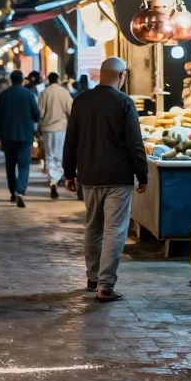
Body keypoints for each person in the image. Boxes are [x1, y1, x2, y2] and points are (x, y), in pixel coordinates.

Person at [62, 57, 147, 302]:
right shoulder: (124, 102)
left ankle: (92, 278)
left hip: (89, 176)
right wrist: (142, 175)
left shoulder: (81, 101)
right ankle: (105, 286)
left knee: (93, 228)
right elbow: (135, 143)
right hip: (118, 177)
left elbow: (71, 139)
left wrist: (69, 172)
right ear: (122, 75)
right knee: (115, 231)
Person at [0, 69, 41, 208]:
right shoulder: (29, 95)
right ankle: (20, 190)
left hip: (8, 136)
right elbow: (36, 116)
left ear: (11, 80)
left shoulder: (4, 95)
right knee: (24, 165)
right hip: (25, 136)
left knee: (10, 165)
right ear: (22, 79)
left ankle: (13, 192)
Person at [39, 72, 74, 198]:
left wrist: (39, 126)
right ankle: (56, 179)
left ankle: (52, 181)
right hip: (61, 129)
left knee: (49, 156)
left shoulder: (44, 93)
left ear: (49, 80)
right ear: (58, 79)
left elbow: (40, 113)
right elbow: (71, 110)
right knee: (59, 155)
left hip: (47, 129)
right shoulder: (64, 92)